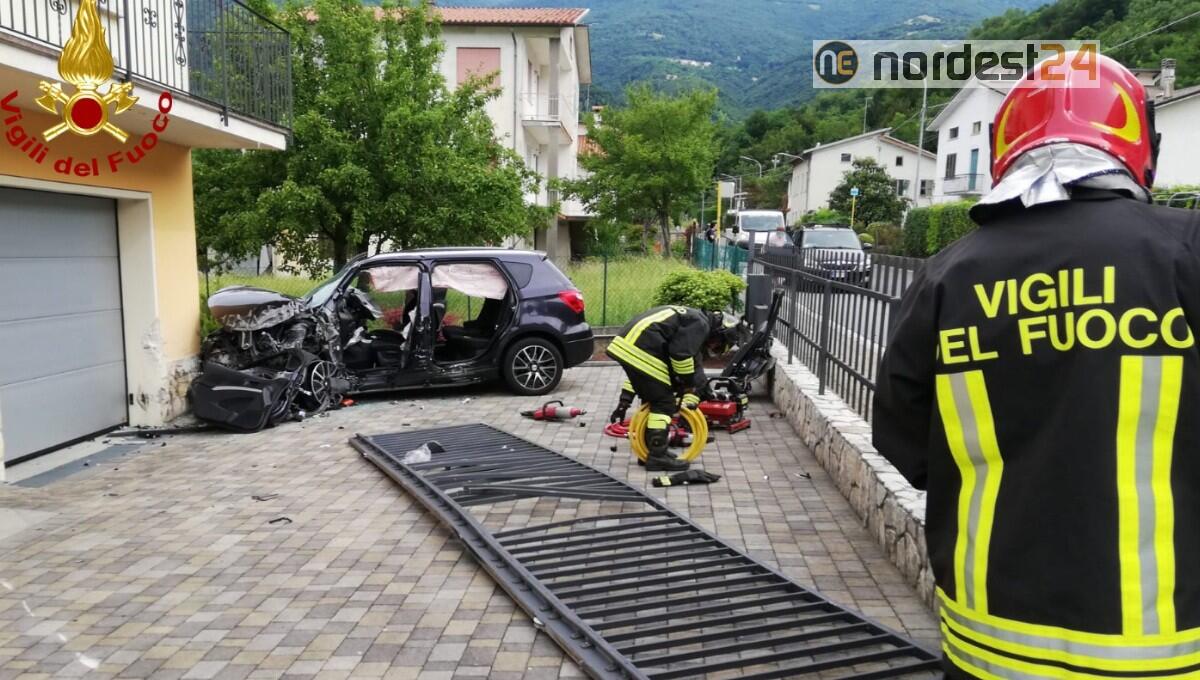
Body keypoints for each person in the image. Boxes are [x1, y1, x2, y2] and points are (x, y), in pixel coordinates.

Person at [873, 52, 1200, 679]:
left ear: (1007, 146)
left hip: (989, 642)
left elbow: (901, 437)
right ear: (1138, 143)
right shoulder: (1182, 251)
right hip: (1164, 646)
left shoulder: (947, 274)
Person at [607, 305, 738, 471]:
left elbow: (642, 376)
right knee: (664, 402)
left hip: (627, 345)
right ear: (718, 332)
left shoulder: (692, 317)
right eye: (716, 344)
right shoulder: (701, 325)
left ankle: (649, 452)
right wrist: (689, 384)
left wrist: (624, 401)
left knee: (653, 398)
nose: (712, 347)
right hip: (641, 349)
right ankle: (657, 457)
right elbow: (680, 355)